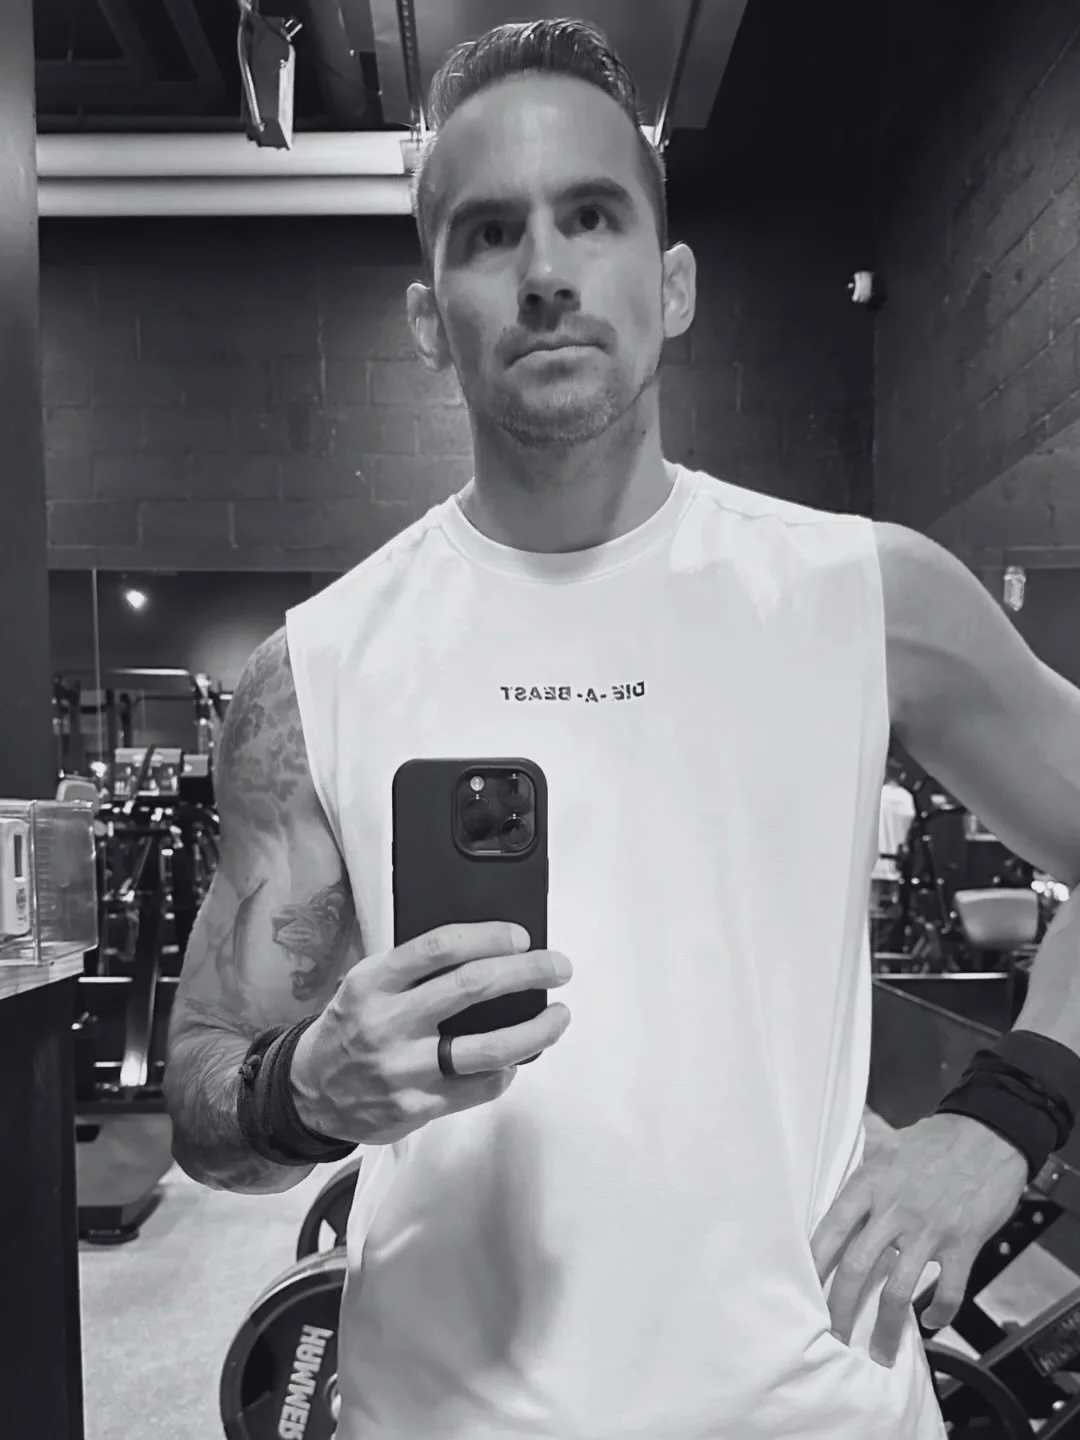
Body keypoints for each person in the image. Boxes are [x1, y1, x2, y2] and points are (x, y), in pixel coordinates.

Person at [163, 17, 1061, 1440]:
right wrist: (305, 1091)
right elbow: (205, 1098)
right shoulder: (315, 667)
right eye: (489, 233)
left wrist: (1011, 1114)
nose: (546, 271)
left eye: (592, 216)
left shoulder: (866, 596)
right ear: (427, 317)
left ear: (673, 282)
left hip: (812, 1409)